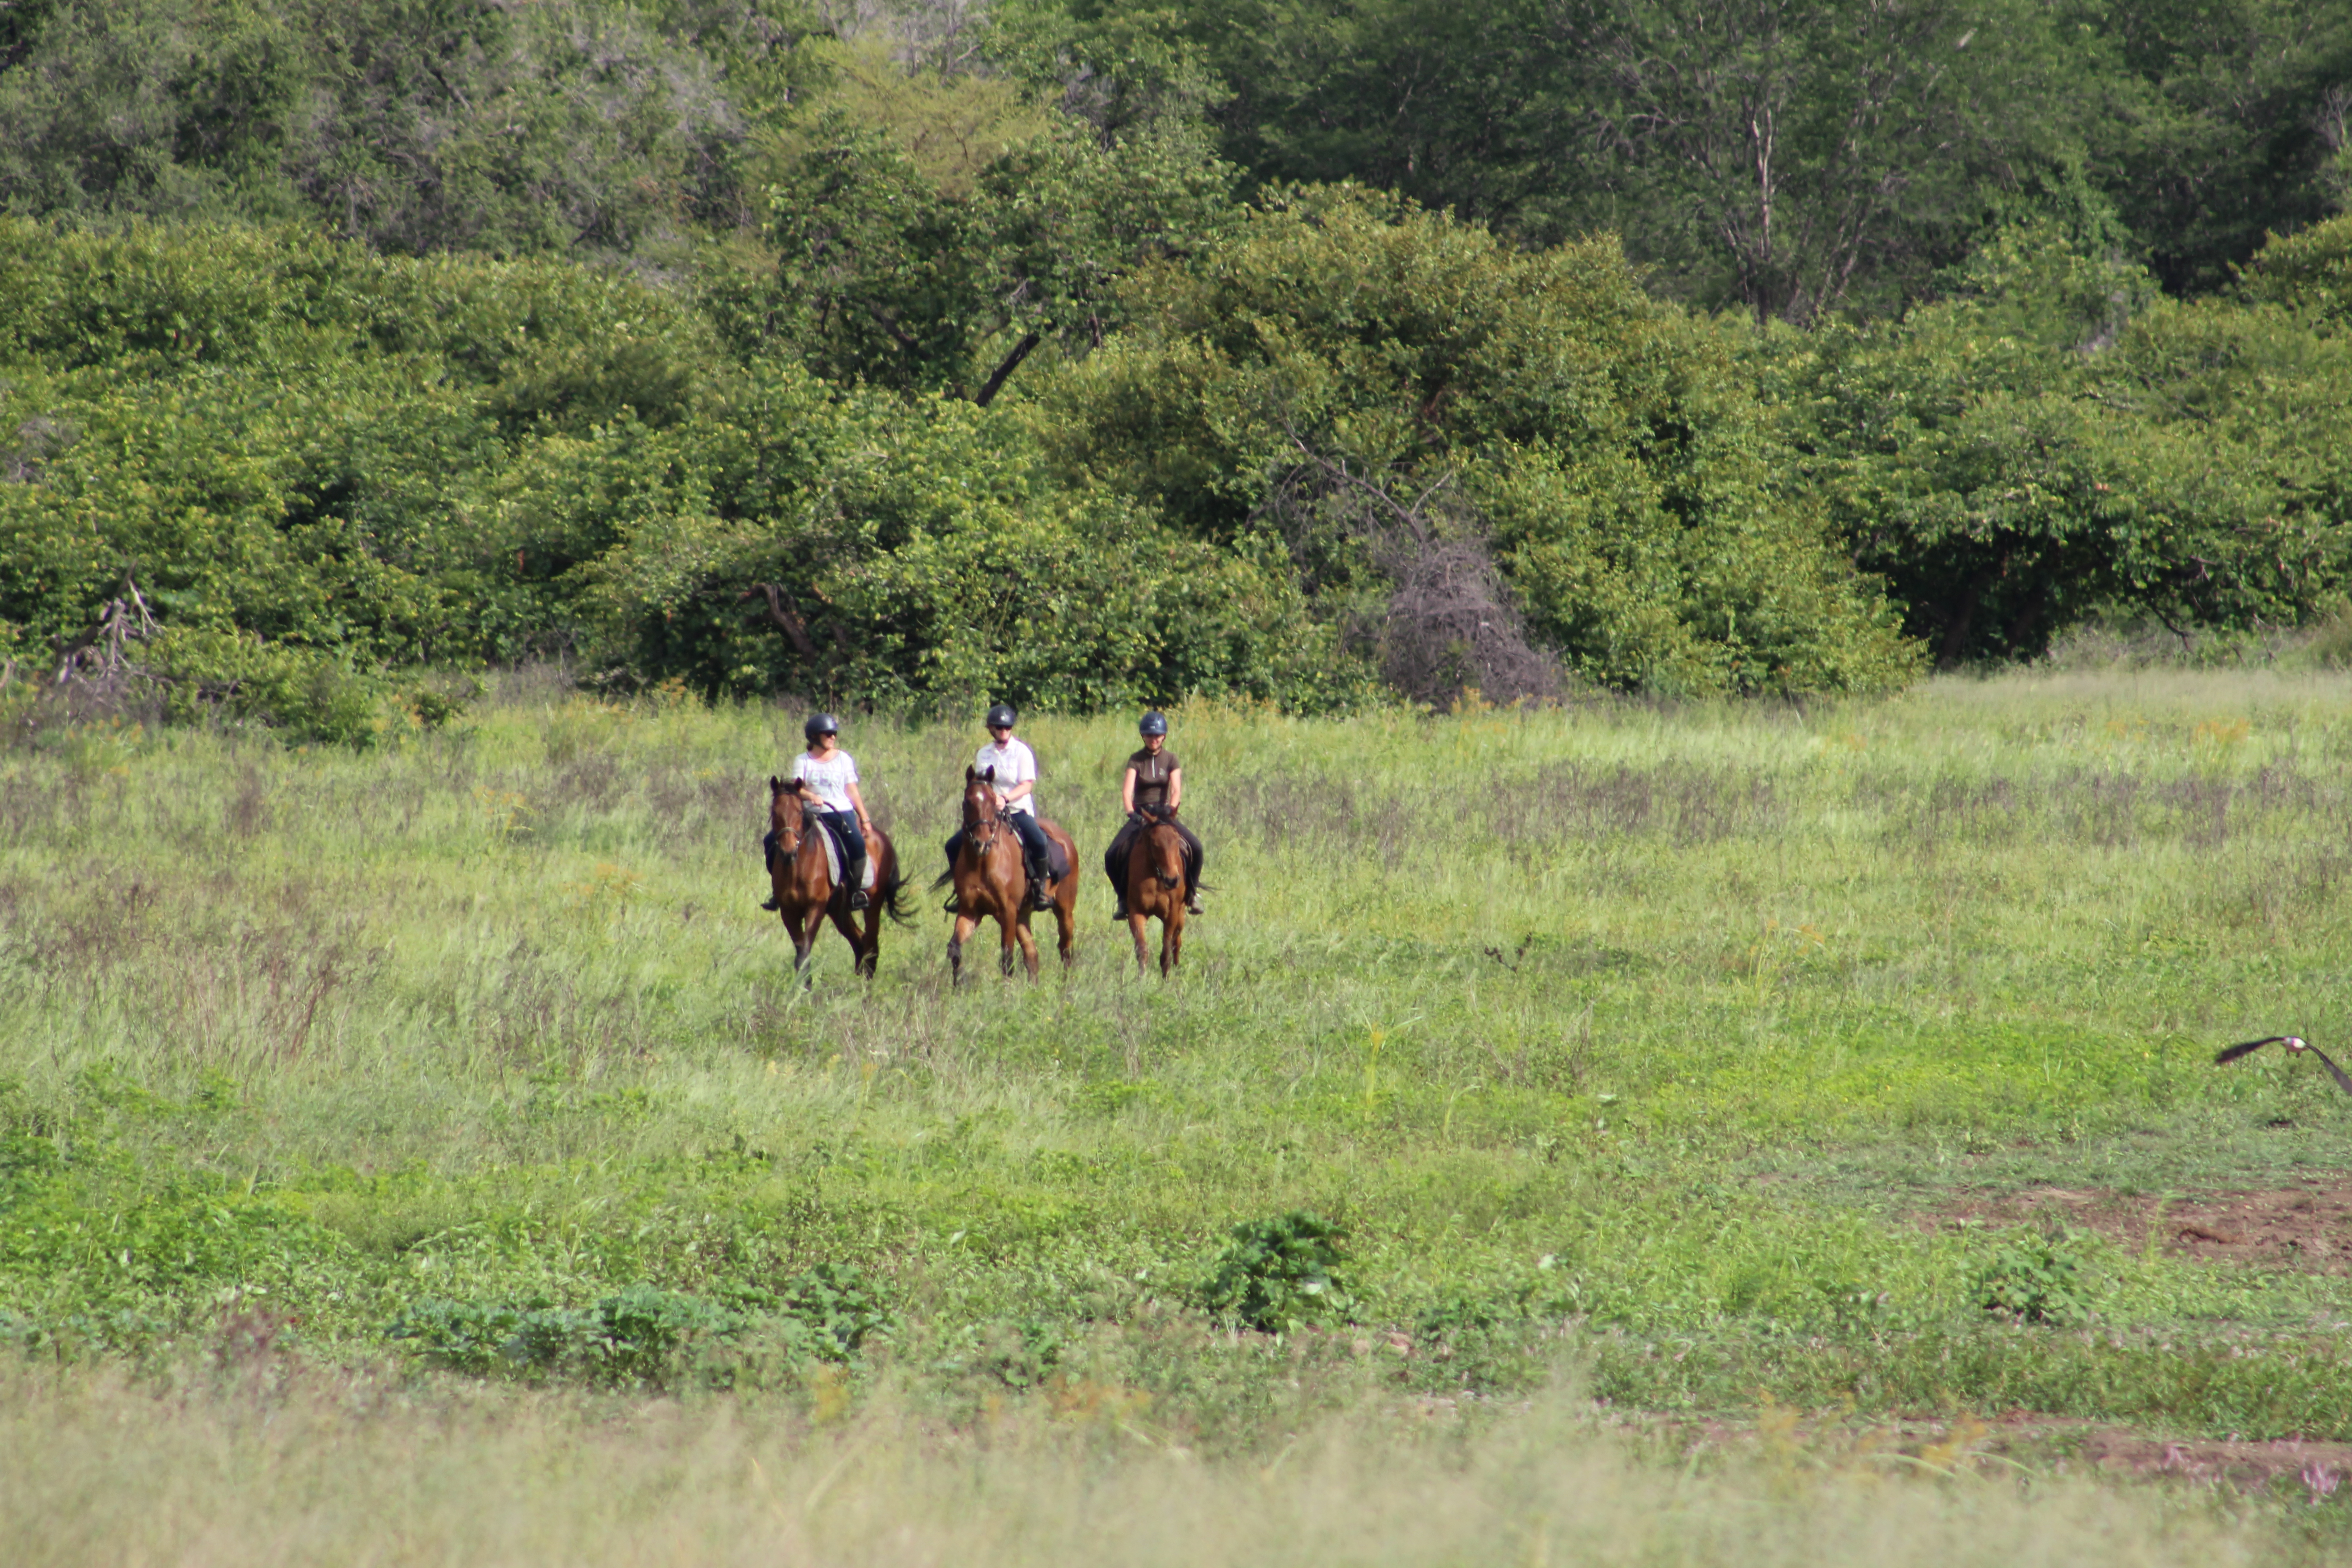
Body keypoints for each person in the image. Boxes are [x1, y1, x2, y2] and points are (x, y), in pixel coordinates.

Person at [944, 703, 1056, 911]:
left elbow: (1027, 785)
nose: (1004, 731)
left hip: (1016, 809)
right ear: (991, 729)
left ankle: (1040, 890)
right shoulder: (984, 754)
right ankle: (960, 891)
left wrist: (1006, 798)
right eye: (1000, 728)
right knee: (952, 846)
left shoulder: (1022, 752)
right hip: (989, 813)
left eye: (1008, 728)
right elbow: (980, 782)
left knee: (1039, 842)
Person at [762, 713, 872, 911]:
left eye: (834, 734)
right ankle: (777, 891)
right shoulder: (803, 760)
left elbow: (852, 790)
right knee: (770, 841)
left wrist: (864, 818)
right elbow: (796, 788)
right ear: (814, 737)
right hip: (811, 813)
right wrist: (811, 796)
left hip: (840, 812)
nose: (833, 737)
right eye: (828, 734)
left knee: (856, 843)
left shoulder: (843, 759)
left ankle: (856, 892)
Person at [1105, 710, 1202, 921]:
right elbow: (1127, 790)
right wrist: (1131, 812)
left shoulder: (1171, 759)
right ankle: (1123, 899)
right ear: (1143, 737)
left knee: (1196, 847)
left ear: (1164, 737)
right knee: (1111, 855)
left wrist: (1171, 808)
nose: (1154, 739)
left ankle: (1192, 894)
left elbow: (1176, 789)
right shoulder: (1136, 760)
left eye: (1158, 736)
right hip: (1142, 814)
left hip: (1165, 814)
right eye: (1150, 736)